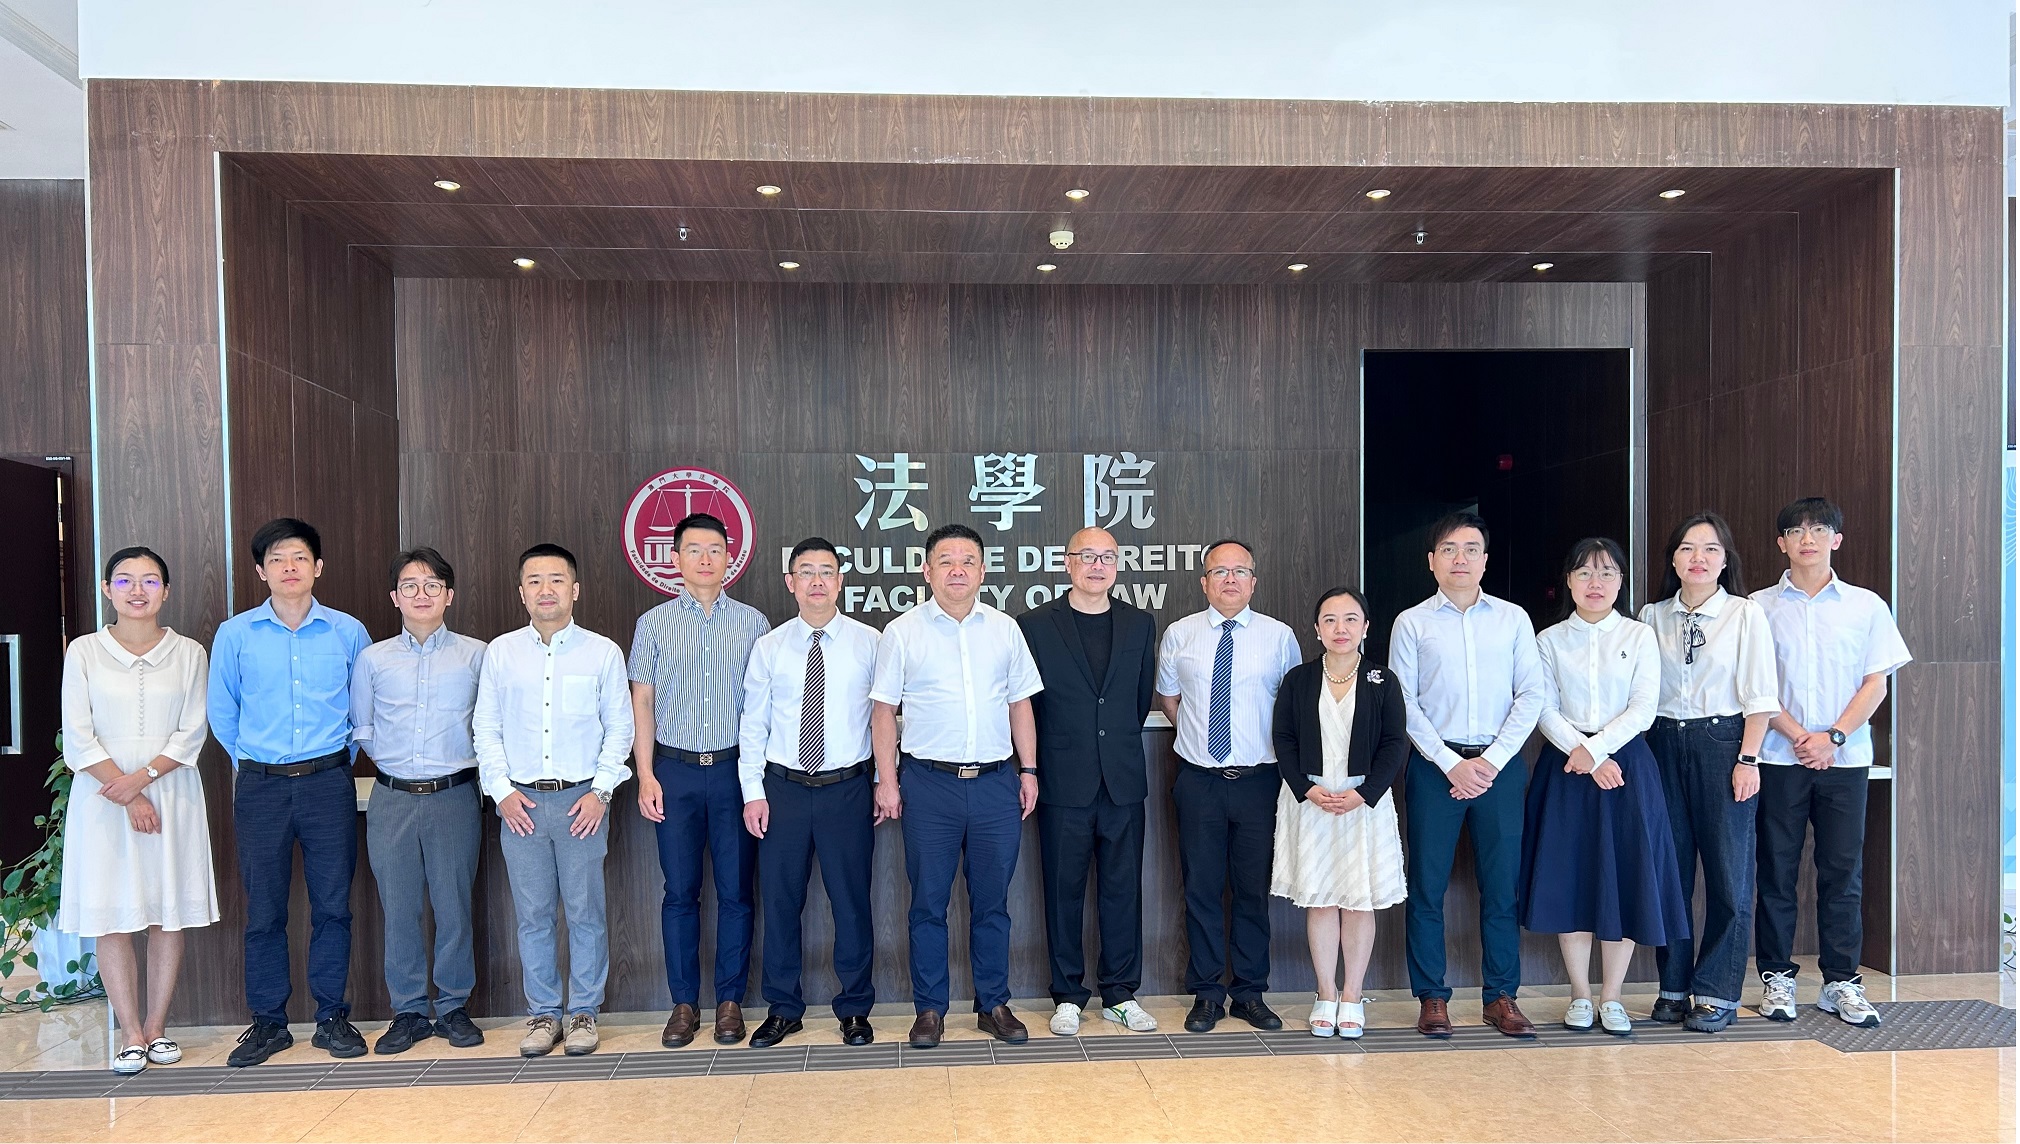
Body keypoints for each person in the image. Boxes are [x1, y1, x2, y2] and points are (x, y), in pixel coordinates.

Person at [871, 523, 1043, 1048]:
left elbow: (1020, 704)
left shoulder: (1004, 629)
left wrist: (1029, 770)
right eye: (946, 561)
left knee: (992, 902)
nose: (957, 570)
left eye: (968, 561)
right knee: (928, 902)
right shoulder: (903, 632)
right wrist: (887, 781)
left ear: (983, 571)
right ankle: (930, 1009)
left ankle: (994, 1003)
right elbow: (883, 712)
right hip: (929, 785)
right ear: (927, 571)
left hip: (995, 783)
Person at [208, 518, 371, 1067]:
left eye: (299, 557)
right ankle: (268, 1023)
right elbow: (222, 712)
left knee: (333, 907)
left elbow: (363, 710)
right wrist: (256, 764)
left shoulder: (348, 632)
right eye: (277, 559)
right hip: (261, 787)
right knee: (263, 911)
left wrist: (334, 765)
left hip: (328, 783)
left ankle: (332, 1018)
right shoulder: (235, 634)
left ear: (317, 567)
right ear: (261, 571)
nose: (289, 567)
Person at [1517, 538, 1691, 1035]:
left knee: (1626, 877)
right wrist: (1584, 752)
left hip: (1626, 765)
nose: (1596, 583)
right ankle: (1579, 993)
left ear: (1621, 582)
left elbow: (1644, 707)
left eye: (1607, 573)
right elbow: (1542, 706)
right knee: (1572, 877)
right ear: (1568, 581)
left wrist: (1598, 752)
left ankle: (1612, 997)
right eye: (1585, 573)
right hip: (1565, 764)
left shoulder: (1639, 636)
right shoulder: (1548, 640)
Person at [58, 547, 219, 1074]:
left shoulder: (190, 652)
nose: (137, 590)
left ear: (165, 592)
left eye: (150, 581)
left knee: (166, 912)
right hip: (102, 798)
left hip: (171, 793)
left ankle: (156, 1028)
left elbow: (193, 730)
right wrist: (127, 791)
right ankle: (128, 1032)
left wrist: (142, 780)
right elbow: (78, 737)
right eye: (124, 580)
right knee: (113, 915)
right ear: (107, 589)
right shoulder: (84, 651)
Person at [1751, 498, 1911, 1028]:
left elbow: (1875, 683)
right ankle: (1777, 977)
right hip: (1778, 756)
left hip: (1845, 760)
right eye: (1796, 531)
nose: (1808, 539)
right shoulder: (1757, 607)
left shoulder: (1867, 606)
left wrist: (1834, 737)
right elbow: (1756, 686)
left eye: (1819, 529)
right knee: (1776, 871)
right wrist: (1802, 737)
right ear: (1781, 543)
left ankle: (1841, 981)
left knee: (1843, 873)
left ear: (1836, 540)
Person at [1389, 511, 1547, 1038]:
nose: (1461, 558)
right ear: (1431, 561)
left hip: (1499, 769)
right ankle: (1432, 997)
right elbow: (1404, 703)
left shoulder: (1513, 619)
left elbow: (1531, 695)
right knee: (1426, 887)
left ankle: (1501, 996)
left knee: (1502, 888)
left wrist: (1491, 762)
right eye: (1449, 549)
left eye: (1471, 549)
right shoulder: (1411, 622)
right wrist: (1451, 763)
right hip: (1435, 768)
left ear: (1485, 559)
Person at [475, 543, 633, 1058]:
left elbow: (620, 727)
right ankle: (544, 1014)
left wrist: (600, 792)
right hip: (519, 804)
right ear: (521, 592)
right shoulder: (501, 653)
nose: (546, 590)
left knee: (586, 912)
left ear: (575, 590)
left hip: (581, 802)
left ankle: (584, 1012)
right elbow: (486, 727)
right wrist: (501, 792)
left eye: (557, 580)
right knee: (533, 914)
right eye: (535, 581)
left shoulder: (602, 652)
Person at [628, 513, 770, 1049]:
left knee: (736, 891)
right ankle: (684, 1004)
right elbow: (642, 700)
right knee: (680, 892)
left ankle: (730, 1002)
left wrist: (755, 781)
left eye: (715, 549)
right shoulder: (653, 623)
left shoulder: (754, 623)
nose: (705, 559)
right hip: (675, 771)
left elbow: (763, 705)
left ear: (730, 557)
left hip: (734, 771)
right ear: (676, 559)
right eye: (693, 549)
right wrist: (645, 774)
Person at [1017, 527, 1161, 1037]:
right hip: (1062, 779)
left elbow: (1139, 698)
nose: (1097, 566)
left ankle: (1121, 994)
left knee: (1123, 891)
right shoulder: (1034, 625)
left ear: (1117, 565)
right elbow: (1028, 704)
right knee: (1063, 892)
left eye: (1107, 557)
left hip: (1122, 780)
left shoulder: (1140, 623)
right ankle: (1068, 995)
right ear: (1067, 562)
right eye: (1087, 556)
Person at [1639, 511, 1779, 1033]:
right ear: (1673, 559)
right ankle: (1674, 986)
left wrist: (1748, 759)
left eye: (1711, 549)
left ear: (1725, 561)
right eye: (1687, 549)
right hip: (1660, 742)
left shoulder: (1744, 614)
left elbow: (1760, 695)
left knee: (1728, 874)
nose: (1698, 558)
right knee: (1669, 872)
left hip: (1724, 744)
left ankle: (1718, 992)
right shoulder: (1651, 616)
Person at [1155, 538, 1301, 1034]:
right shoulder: (1180, 634)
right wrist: (1201, 740)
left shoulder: (1279, 637)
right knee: (1200, 887)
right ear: (1204, 582)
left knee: (1251, 890)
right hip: (1199, 780)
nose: (1230, 579)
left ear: (1253, 582)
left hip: (1260, 782)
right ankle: (1207, 993)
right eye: (1220, 571)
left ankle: (1249, 992)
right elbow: (1170, 700)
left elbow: (1292, 707)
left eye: (1240, 571)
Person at [739, 538, 880, 1049]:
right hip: (783, 790)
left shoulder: (870, 642)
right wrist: (752, 792)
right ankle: (783, 1008)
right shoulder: (770, 647)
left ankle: (855, 1008)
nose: (817, 581)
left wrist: (882, 782)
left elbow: (886, 718)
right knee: (781, 902)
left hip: (848, 789)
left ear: (840, 581)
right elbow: (753, 724)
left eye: (826, 571)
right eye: (806, 571)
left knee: (852, 902)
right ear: (790, 582)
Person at [349, 547, 488, 1054]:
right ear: (395, 597)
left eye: (432, 585)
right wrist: (399, 767)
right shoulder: (373, 659)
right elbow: (362, 727)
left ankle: (453, 1007)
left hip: (455, 795)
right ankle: (408, 1011)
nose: (421, 594)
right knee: (399, 908)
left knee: (454, 906)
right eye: (410, 585)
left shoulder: (477, 655)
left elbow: (489, 724)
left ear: (449, 596)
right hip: (392, 797)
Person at [1268, 586, 1408, 1040]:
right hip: (1311, 799)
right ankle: (1325, 993)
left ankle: (1352, 995)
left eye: (1350, 619)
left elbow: (1394, 742)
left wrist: (1364, 793)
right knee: (1322, 898)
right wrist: (1306, 788)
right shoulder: (1299, 679)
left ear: (1366, 627)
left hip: (1363, 802)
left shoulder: (1383, 680)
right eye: (1330, 619)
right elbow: (1283, 738)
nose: (1340, 628)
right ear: (1316, 629)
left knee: (1358, 898)